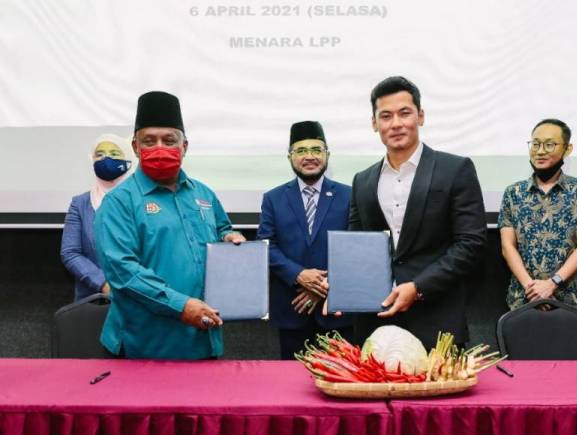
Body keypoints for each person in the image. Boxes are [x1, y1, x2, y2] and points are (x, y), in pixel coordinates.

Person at [94, 91, 245, 359]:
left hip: (202, 340)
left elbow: (223, 230)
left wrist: (231, 239)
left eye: (169, 140)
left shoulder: (204, 194)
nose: (159, 147)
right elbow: (123, 272)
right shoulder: (119, 202)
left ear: (184, 146)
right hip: (143, 345)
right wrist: (181, 305)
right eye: (149, 141)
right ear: (135, 147)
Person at [348, 76, 487, 349]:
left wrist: (419, 287)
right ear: (374, 123)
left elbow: (471, 243)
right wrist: (343, 289)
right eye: (385, 116)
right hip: (376, 324)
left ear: (420, 116)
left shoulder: (455, 170)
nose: (396, 123)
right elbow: (356, 248)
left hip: (437, 320)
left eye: (405, 113)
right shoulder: (362, 181)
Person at [257, 121, 353, 359]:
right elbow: (267, 246)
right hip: (292, 308)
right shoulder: (273, 198)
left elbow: (356, 249)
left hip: (336, 308)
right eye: (301, 151)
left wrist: (320, 286)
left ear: (327, 155)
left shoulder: (349, 195)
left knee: (340, 381)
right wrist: (300, 275)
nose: (309, 156)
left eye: (316, 150)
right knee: (292, 384)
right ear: (290, 156)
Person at [498, 118, 577, 310]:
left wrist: (552, 283)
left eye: (549, 144)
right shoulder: (514, 192)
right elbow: (507, 246)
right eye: (535, 144)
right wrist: (533, 288)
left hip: (571, 299)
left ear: (567, 149)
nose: (540, 150)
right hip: (524, 298)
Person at [60, 134, 132, 301]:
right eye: (99, 154)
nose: (106, 159)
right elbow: (70, 253)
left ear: (128, 159)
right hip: (94, 300)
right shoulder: (80, 203)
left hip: (139, 299)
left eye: (114, 154)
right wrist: (103, 284)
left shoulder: (141, 200)